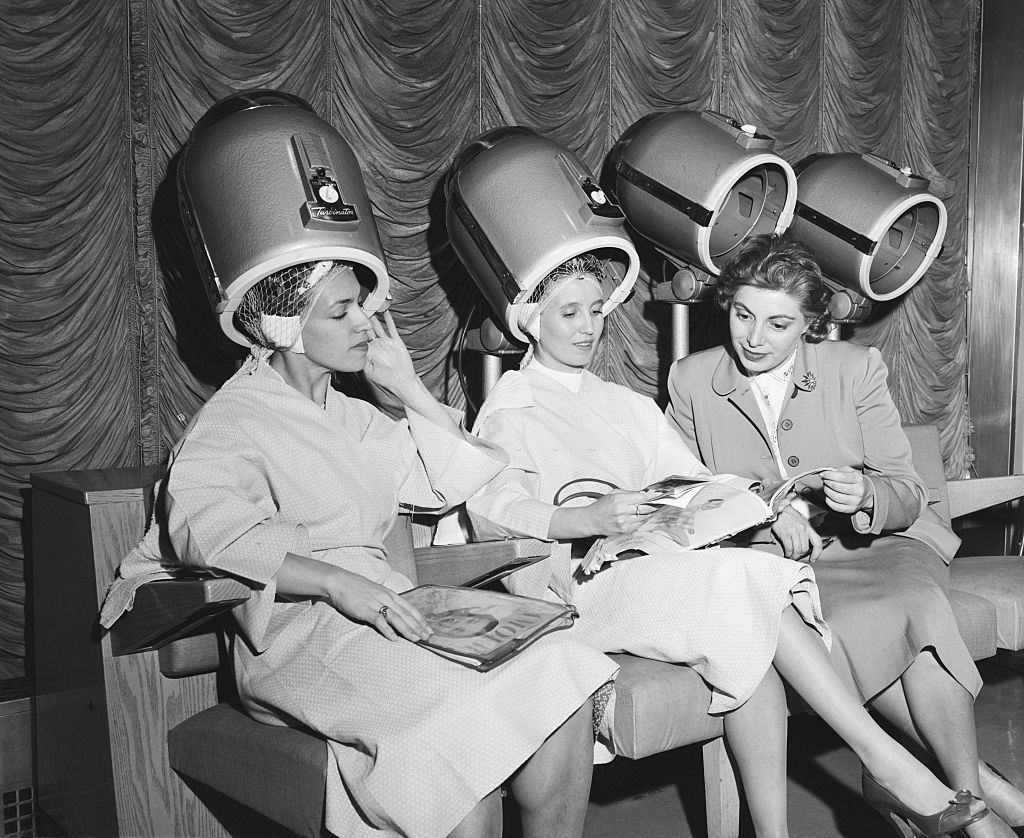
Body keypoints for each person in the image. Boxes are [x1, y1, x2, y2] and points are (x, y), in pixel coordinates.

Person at [466, 254, 988, 838]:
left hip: (646, 566)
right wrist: (583, 517)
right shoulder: (511, 406)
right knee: (747, 581)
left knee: (753, 656)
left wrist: (770, 506)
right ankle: (884, 760)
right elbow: (493, 510)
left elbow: (696, 482)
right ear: (531, 321)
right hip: (573, 584)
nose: (589, 327)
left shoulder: (626, 406)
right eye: (569, 313)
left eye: (595, 311)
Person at [102, 260, 618, 838]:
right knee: (456, 750)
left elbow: (447, 479)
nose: (365, 326)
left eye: (364, 309)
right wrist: (336, 582)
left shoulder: (356, 417)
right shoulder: (233, 419)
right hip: (296, 632)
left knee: (562, 672)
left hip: (388, 601)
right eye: (342, 312)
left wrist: (407, 388)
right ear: (284, 327)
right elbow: (209, 529)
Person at [666, 232, 1024, 838]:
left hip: (882, 544)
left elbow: (907, 493)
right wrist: (756, 510)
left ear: (808, 325)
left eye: (778, 324)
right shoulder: (692, 379)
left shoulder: (854, 367)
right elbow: (679, 490)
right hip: (779, 563)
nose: (753, 338)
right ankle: (971, 804)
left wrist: (866, 496)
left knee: (914, 602)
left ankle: (971, 808)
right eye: (742, 314)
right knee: (859, 623)